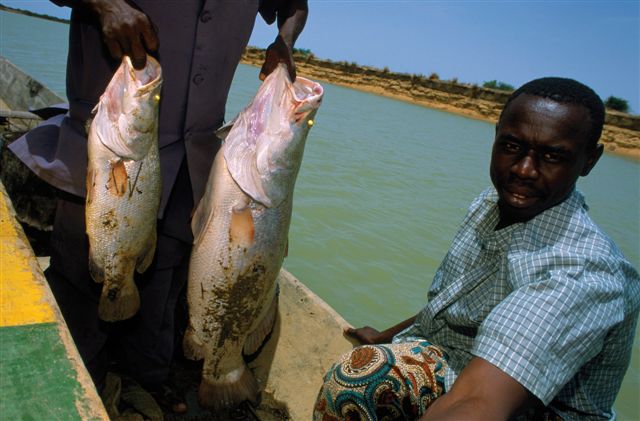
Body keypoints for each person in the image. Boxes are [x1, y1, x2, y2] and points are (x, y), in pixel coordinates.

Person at [9, 0, 308, 414]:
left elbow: (295, 4)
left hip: (194, 160)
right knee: (80, 281)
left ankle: (145, 388)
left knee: (163, 295)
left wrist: (285, 41)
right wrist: (104, 4)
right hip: (111, 147)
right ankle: (75, 393)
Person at [313, 77, 640, 420]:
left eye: (551, 156)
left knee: (358, 380)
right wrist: (386, 337)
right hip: (459, 361)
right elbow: (455, 304)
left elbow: (479, 402)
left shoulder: (579, 273)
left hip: (534, 409)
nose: (524, 170)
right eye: (512, 146)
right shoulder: (490, 204)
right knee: (368, 367)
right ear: (496, 135)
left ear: (589, 161)